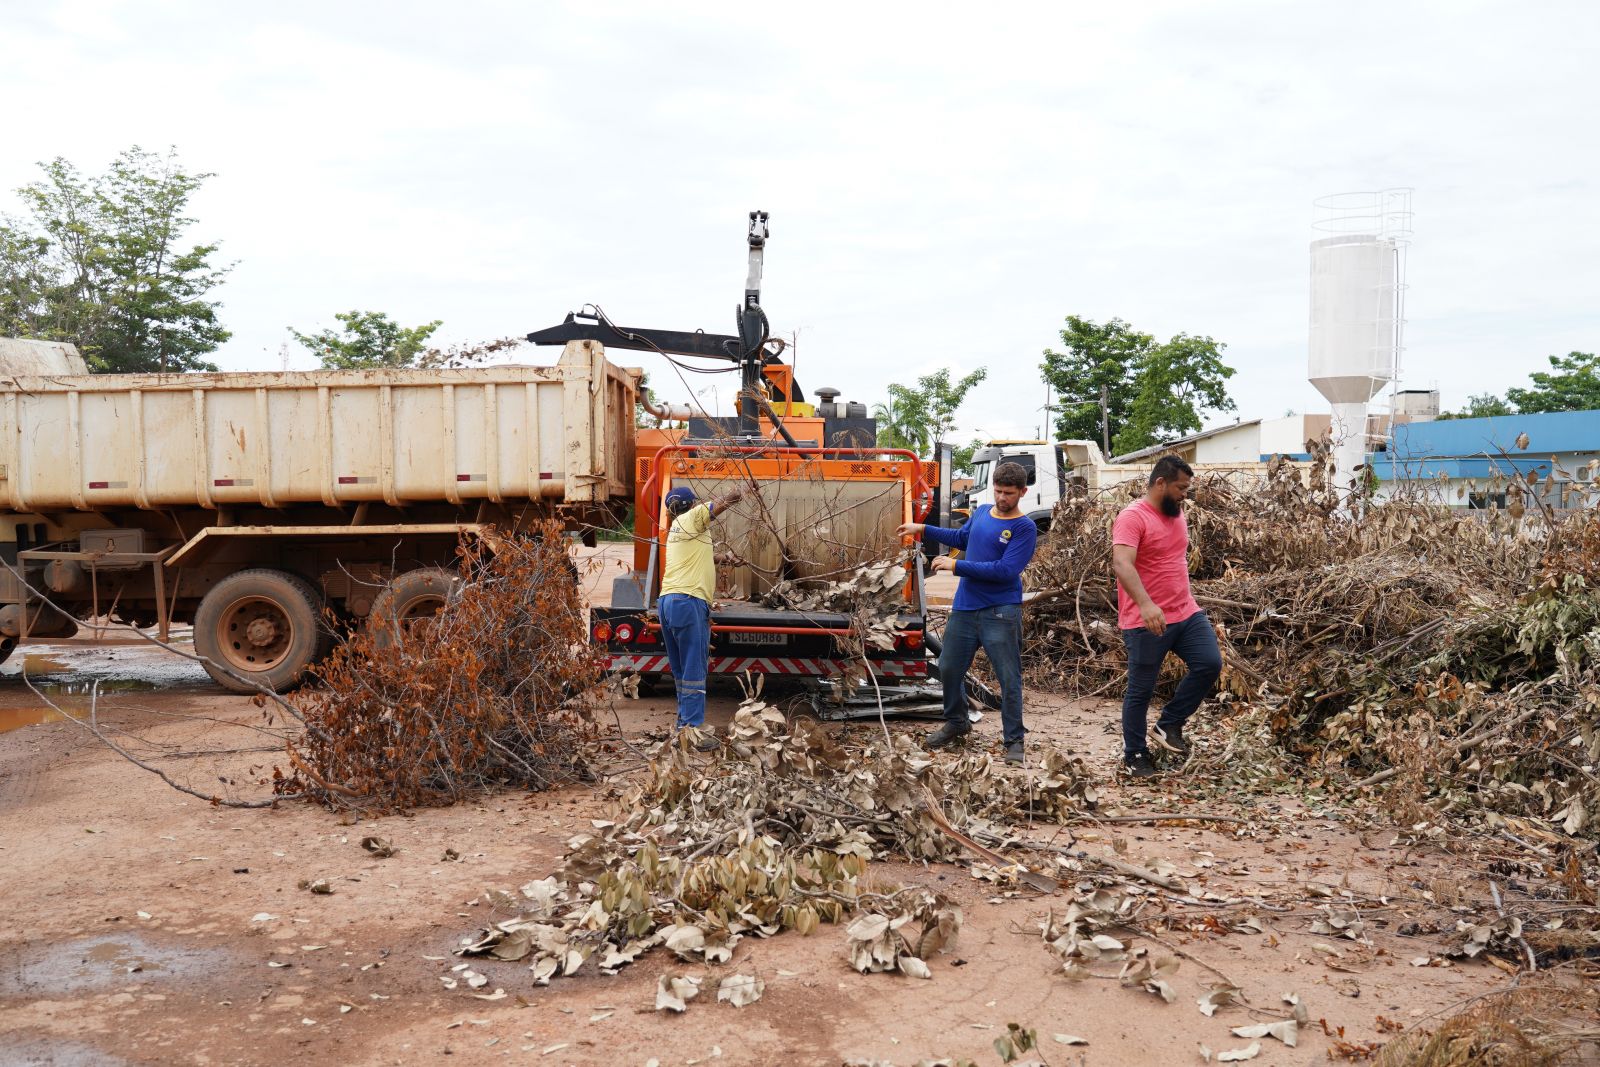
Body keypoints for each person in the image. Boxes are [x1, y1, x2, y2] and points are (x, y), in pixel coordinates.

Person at [896, 461, 1038, 763]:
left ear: (1022, 492)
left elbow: (1005, 570)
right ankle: (957, 722)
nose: (1002, 498)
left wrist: (956, 565)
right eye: (998, 491)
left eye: (1009, 493)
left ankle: (1014, 741)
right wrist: (922, 528)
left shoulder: (1024, 528)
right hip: (965, 607)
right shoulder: (983, 512)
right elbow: (962, 538)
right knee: (948, 667)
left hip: (1000, 611)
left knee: (1008, 677)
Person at [1110, 454, 1223, 779]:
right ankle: (1134, 755)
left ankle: (1169, 724)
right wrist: (1146, 605)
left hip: (1186, 612)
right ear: (1160, 483)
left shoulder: (1176, 513)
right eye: (1180, 487)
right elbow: (1122, 564)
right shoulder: (1133, 517)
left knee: (1209, 663)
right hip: (1146, 620)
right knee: (1141, 690)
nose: (1185, 494)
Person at [658, 481, 753, 750]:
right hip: (688, 602)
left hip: (668, 601)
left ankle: (683, 728)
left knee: (681, 670)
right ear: (691, 505)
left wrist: (726, 558)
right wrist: (745, 488)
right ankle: (692, 732)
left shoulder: (678, 528)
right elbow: (724, 501)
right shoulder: (692, 518)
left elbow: (701, 555)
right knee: (693, 669)